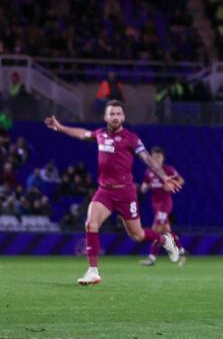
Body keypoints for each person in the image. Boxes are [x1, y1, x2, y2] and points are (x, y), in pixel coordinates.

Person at [44, 101, 183, 285]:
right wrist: (61, 127)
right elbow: (82, 134)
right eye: (112, 114)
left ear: (123, 117)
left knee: (138, 235)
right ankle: (93, 271)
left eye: (119, 114)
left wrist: (164, 177)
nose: (115, 117)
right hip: (105, 192)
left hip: (125, 193)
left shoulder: (131, 138)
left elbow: (147, 158)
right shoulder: (100, 134)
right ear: (106, 117)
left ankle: (165, 240)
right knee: (90, 224)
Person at [139, 147, 187, 266]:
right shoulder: (149, 172)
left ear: (163, 158)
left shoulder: (168, 170)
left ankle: (152, 258)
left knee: (155, 229)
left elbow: (181, 180)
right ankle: (181, 250)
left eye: (159, 157)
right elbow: (143, 188)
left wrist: (172, 185)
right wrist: (144, 187)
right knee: (167, 231)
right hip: (155, 204)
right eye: (154, 157)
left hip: (165, 203)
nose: (156, 159)